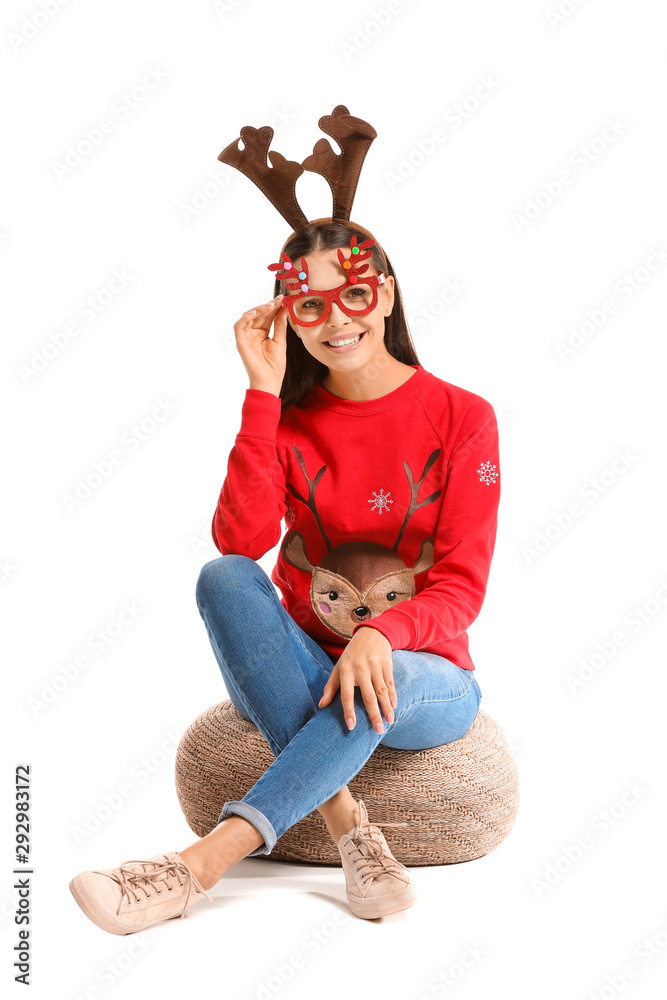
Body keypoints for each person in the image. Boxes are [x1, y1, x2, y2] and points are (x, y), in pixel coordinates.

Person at [68, 218, 500, 936]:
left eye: (354, 294)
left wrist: (380, 638)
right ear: (288, 319)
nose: (336, 319)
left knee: (376, 672)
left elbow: (461, 585)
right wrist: (262, 394)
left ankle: (198, 867)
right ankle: (347, 824)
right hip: (305, 665)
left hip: (429, 676)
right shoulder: (289, 419)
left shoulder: (463, 418)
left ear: (385, 296)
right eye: (309, 305)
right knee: (223, 576)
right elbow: (241, 541)